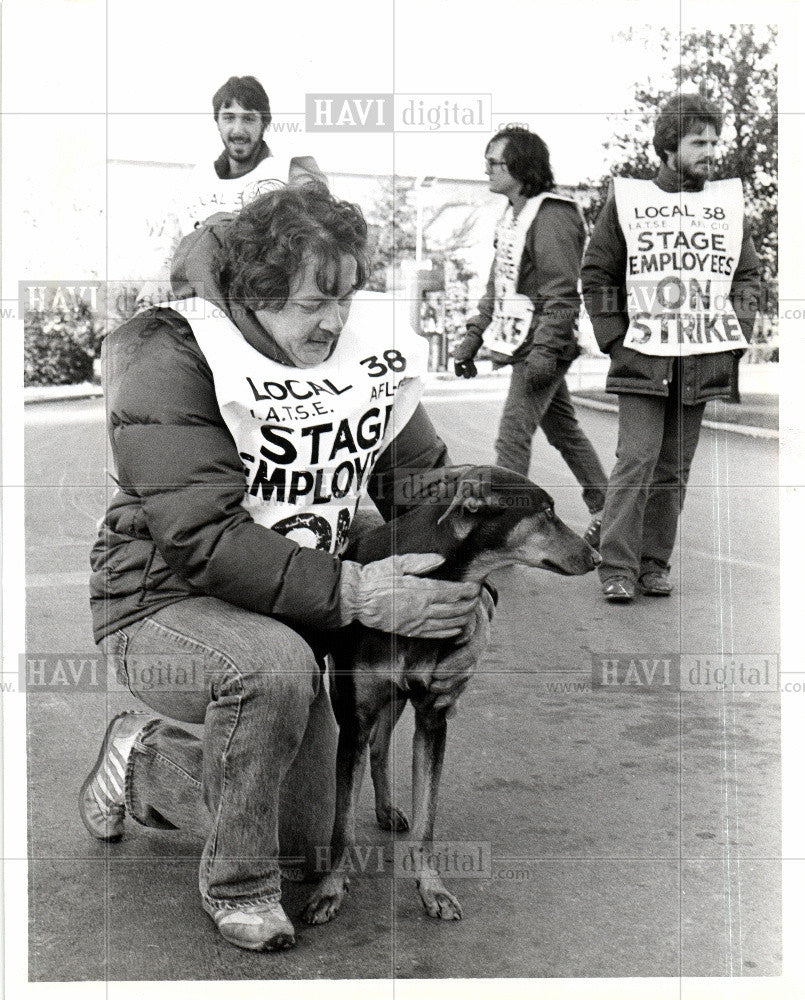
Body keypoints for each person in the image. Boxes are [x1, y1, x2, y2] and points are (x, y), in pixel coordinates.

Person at [82, 185, 492, 951]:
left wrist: (467, 597)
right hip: (162, 602)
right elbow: (202, 535)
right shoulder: (167, 353)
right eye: (313, 302)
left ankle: (158, 765)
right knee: (273, 670)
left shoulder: (355, 346)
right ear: (257, 294)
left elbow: (427, 494)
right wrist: (357, 590)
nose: (335, 321)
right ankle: (236, 883)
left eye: (346, 296)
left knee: (307, 844)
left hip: (298, 604)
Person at [581, 94, 762, 602]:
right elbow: (597, 272)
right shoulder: (630, 200)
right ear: (668, 146)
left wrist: (735, 333)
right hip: (643, 355)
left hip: (702, 358)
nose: (709, 151)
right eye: (697, 142)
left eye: (713, 142)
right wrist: (614, 336)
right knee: (636, 460)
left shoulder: (727, 206)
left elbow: (747, 274)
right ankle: (616, 566)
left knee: (673, 470)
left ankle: (653, 564)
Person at [452, 127, 608, 547]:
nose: (485, 169)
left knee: (511, 439)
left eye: (493, 163)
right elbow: (497, 288)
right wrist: (471, 338)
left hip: (543, 346)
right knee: (564, 432)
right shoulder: (512, 215)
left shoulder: (552, 215)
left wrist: (543, 353)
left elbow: (562, 294)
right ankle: (608, 509)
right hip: (524, 344)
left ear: (520, 167)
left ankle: (505, 531)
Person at [137, 74, 325, 306]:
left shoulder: (289, 173)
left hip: (263, 301)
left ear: (264, 123)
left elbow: (322, 241)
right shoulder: (198, 178)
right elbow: (174, 250)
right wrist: (157, 286)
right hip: (201, 302)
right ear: (217, 122)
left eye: (248, 119)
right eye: (228, 118)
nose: (238, 130)